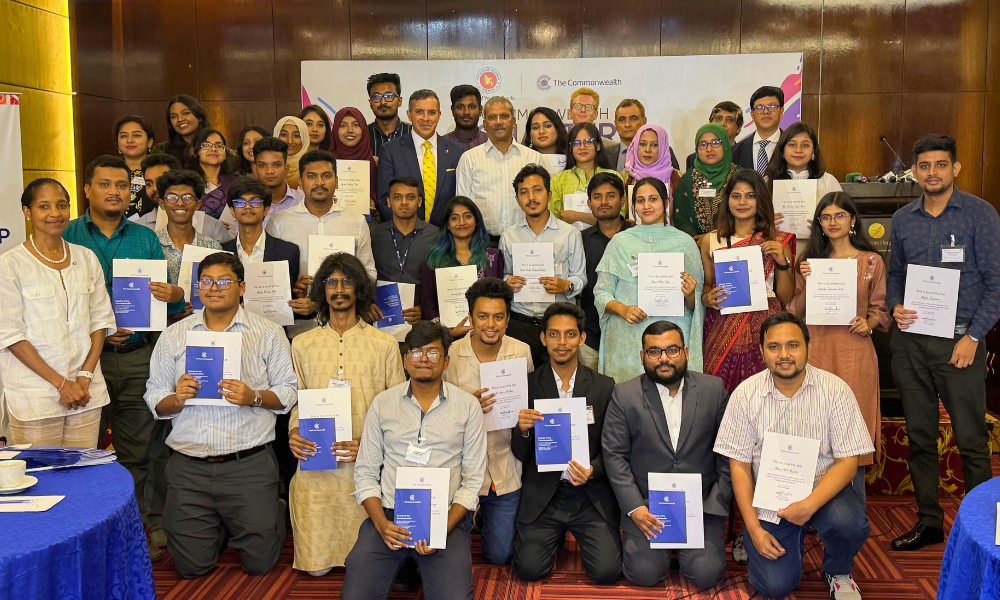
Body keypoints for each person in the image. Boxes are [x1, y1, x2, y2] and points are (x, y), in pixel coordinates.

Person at [144, 252, 297, 578]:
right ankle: (222, 523)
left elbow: (288, 392)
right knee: (190, 568)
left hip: (248, 465)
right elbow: (154, 397)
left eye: (224, 281)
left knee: (260, 565)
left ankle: (270, 507)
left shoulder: (268, 333)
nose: (214, 288)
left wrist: (253, 397)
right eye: (207, 282)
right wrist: (177, 399)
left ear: (241, 287)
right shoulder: (174, 334)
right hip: (189, 467)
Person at [63, 155, 186, 560]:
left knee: (140, 450)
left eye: (122, 185)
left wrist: (173, 296)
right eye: (105, 184)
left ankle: (139, 528)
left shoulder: (145, 237)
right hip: (80, 361)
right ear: (87, 190)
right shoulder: (66, 236)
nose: (114, 192)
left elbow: (164, 305)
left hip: (136, 356)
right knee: (84, 449)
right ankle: (82, 529)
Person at [886, 134, 1000, 551]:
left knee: (971, 440)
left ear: (956, 168)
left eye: (940, 164)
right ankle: (929, 522)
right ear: (914, 171)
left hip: (960, 344)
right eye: (924, 165)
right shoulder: (903, 219)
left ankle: (981, 530)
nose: (931, 172)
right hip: (911, 344)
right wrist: (895, 305)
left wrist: (973, 337)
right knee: (919, 435)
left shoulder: (980, 215)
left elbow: (996, 284)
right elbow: (895, 273)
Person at [715, 312, 873, 600]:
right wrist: (754, 530)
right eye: (774, 347)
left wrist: (808, 505)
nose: (784, 355)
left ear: (808, 347)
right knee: (774, 587)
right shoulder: (745, 395)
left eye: (793, 345)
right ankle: (786, 546)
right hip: (770, 502)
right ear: (762, 351)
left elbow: (849, 462)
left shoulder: (836, 390)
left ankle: (837, 570)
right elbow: (738, 466)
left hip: (823, 491)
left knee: (849, 523)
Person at [343, 321, 487, 600]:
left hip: (444, 518)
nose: (423, 359)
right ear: (405, 359)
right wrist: (381, 524)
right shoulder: (382, 403)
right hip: (388, 516)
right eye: (415, 352)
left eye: (432, 353)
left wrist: (440, 528)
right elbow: (365, 474)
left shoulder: (467, 406)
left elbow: (472, 482)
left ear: (445, 361)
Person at [287, 253, 406, 575]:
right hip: (318, 463)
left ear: (359, 289)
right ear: (322, 290)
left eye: (347, 281)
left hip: (367, 464)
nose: (339, 289)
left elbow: (398, 409)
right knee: (315, 570)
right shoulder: (302, 344)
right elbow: (295, 399)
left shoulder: (384, 345)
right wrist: (295, 433)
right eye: (331, 282)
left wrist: (369, 443)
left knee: (367, 566)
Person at [602, 320, 731, 589]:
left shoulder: (713, 390)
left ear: (685, 352)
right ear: (642, 357)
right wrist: (635, 508)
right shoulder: (624, 395)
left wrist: (713, 504)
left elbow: (729, 453)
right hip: (647, 508)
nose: (663, 358)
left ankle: (687, 551)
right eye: (654, 351)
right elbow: (614, 455)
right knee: (643, 575)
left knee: (706, 576)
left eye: (672, 350)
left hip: (701, 505)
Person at [787, 192, 890, 505]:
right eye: (826, 217)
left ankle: (851, 512)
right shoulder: (808, 263)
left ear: (853, 220)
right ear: (819, 223)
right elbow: (793, 311)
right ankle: (811, 507)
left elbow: (881, 310)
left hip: (855, 355)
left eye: (840, 216)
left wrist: (867, 323)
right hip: (816, 353)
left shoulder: (871, 261)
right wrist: (805, 280)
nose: (833, 222)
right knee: (813, 426)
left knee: (851, 433)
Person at [511, 303, 621, 584]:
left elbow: (613, 448)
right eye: (554, 335)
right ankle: (553, 537)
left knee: (607, 572)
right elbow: (519, 454)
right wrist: (522, 431)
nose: (562, 343)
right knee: (529, 570)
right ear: (543, 338)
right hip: (545, 496)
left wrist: (593, 470)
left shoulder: (604, 386)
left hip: (588, 495)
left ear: (582, 339)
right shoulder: (526, 386)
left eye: (570, 335)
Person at [0, 178, 114, 449]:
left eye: (62, 205)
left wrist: (84, 377)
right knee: (40, 482)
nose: (55, 213)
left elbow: (99, 321)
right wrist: (62, 384)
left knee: (81, 476)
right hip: (35, 396)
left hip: (86, 392)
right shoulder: (10, 264)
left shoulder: (86, 258)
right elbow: (11, 335)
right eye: (44, 206)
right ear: (27, 212)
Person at [442, 278, 533, 566]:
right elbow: (436, 414)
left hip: (504, 467)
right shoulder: (451, 355)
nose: (490, 324)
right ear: (470, 318)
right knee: (451, 556)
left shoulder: (521, 351)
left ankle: (485, 516)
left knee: (500, 556)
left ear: (507, 319)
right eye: (482, 316)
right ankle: (472, 515)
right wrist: (466, 405)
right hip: (461, 470)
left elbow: (526, 403)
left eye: (498, 317)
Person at [595, 177, 703, 383]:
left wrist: (690, 294)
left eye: (653, 199)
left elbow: (694, 307)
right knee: (630, 402)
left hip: (670, 342)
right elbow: (601, 293)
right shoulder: (620, 242)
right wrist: (622, 309)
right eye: (640, 200)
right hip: (628, 339)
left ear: (666, 202)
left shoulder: (685, 243)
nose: (646, 206)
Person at [700, 169, 794, 392]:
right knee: (720, 391)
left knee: (764, 392)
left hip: (765, 325)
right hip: (722, 324)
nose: (742, 202)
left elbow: (786, 297)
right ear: (727, 201)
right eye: (736, 196)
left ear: (760, 199)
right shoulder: (711, 240)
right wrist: (707, 298)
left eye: (750, 196)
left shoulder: (777, 240)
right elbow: (706, 285)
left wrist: (781, 261)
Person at [266, 150, 377, 337]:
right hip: (298, 328)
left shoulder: (356, 222)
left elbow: (369, 273)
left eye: (326, 176)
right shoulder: (279, 222)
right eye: (311, 176)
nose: (319, 183)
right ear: (300, 182)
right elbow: (271, 279)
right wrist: (293, 288)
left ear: (337, 180)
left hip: (346, 326)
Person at [500, 164, 586, 368]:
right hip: (520, 324)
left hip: (557, 326)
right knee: (520, 387)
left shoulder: (569, 233)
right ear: (517, 199)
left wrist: (566, 286)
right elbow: (503, 275)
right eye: (524, 192)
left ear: (549, 193)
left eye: (537, 190)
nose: (531, 198)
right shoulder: (509, 235)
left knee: (555, 386)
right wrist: (507, 283)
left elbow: (581, 277)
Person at [456, 97, 544, 240]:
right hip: (483, 243)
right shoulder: (469, 159)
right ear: (484, 124)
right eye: (492, 117)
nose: (498, 122)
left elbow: (542, 203)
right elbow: (462, 206)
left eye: (504, 116)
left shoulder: (533, 158)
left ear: (513, 121)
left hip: (527, 241)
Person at [375, 89, 465, 225]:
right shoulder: (390, 151)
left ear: (439, 116)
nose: (426, 118)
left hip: (445, 238)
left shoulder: (456, 152)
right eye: (419, 112)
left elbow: (461, 200)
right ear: (409, 115)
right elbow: (384, 200)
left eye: (432, 112)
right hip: (406, 236)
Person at [420, 197, 505, 338]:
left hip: (488, 334)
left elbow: (501, 300)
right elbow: (428, 304)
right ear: (447, 224)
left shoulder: (493, 257)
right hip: (448, 339)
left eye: (467, 216)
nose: (462, 223)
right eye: (454, 218)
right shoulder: (434, 260)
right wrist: (447, 333)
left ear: (477, 221)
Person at [154, 169, 224, 321]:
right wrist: (168, 315)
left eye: (187, 197)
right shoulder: (151, 245)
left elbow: (220, 293)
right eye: (172, 197)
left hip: (204, 330)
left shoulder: (212, 248)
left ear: (198, 204)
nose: (180, 203)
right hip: (161, 334)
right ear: (162, 203)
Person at [579, 172, 632, 370]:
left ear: (623, 200)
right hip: (590, 336)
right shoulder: (580, 240)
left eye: (610, 195)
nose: (603, 202)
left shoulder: (636, 237)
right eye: (597, 197)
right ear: (589, 203)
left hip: (631, 333)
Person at [371, 176, 439, 321]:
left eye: (410, 197)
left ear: (419, 202)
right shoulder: (374, 235)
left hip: (421, 318)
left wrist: (425, 309)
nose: (404, 202)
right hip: (381, 315)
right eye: (397, 197)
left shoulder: (435, 236)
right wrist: (368, 304)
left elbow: (441, 279)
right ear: (389, 202)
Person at [220, 176, 301, 290]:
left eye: (255, 202)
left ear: (266, 210)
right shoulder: (221, 252)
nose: (247, 207)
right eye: (240, 202)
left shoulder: (288, 252)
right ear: (232, 211)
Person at [549, 122, 623, 228]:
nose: (582, 147)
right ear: (570, 148)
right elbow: (553, 219)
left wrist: (578, 216)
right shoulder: (559, 179)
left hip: (607, 241)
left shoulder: (613, 177)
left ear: (597, 146)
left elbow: (618, 218)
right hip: (569, 241)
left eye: (588, 142)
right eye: (576, 143)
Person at [674, 123, 740, 239]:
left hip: (732, 246)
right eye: (703, 144)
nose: (709, 149)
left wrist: (715, 239)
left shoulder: (739, 177)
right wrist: (696, 240)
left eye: (715, 143)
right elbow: (680, 217)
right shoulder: (688, 179)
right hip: (695, 246)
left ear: (725, 145)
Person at [763, 122, 843, 201]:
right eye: (792, 145)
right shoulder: (767, 182)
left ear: (813, 151)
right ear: (783, 149)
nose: (798, 150)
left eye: (805, 145)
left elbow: (840, 211)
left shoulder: (828, 181)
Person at [330, 107, 377, 218]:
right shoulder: (327, 162)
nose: (350, 130)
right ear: (335, 130)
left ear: (364, 129)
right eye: (343, 125)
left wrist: (373, 201)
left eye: (356, 125)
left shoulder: (374, 162)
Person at [623, 124, 679, 217]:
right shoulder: (625, 176)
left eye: (655, 145)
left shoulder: (676, 177)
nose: (647, 150)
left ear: (663, 148)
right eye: (643, 144)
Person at [733, 86, 785, 174]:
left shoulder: (791, 146)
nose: (766, 112)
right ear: (752, 115)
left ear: (781, 111)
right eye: (760, 107)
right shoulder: (736, 151)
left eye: (771, 106)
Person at [188, 128, 236, 223]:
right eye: (206, 145)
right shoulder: (186, 182)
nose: (213, 149)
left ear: (225, 154)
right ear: (195, 152)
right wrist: (211, 225)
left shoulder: (235, 183)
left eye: (219, 145)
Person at [252, 136, 305, 219]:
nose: (269, 171)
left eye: (277, 165)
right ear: (255, 170)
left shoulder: (303, 201)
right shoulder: (242, 204)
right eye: (262, 165)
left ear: (286, 169)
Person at [115, 115, 155, 216]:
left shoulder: (159, 169)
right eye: (124, 136)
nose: (129, 140)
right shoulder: (110, 170)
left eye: (136, 135)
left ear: (149, 142)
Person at [684, 101, 743, 170]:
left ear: (738, 128)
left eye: (729, 120)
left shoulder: (745, 157)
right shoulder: (693, 159)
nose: (723, 124)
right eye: (718, 118)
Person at [366, 72, 412, 156]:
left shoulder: (413, 133)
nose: (383, 102)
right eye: (377, 97)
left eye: (389, 96)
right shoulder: (363, 135)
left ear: (399, 101)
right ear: (370, 103)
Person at [153, 94, 210, 161]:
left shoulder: (217, 148)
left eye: (185, 113)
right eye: (174, 116)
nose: (180, 119)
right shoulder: (161, 150)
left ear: (199, 117)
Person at [520, 107, 570, 174]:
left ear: (558, 129)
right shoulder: (521, 160)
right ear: (529, 134)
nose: (541, 131)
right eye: (535, 127)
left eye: (547, 126)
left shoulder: (572, 158)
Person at [444, 84, 488, 150]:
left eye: (472, 107)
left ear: (480, 110)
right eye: (460, 107)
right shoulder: (441, 144)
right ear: (453, 110)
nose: (466, 112)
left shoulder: (491, 142)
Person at [609, 99, 647, 172]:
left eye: (633, 119)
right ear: (615, 124)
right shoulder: (604, 155)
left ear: (644, 121)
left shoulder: (660, 151)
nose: (627, 124)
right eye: (622, 120)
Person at [275, 115, 310, 190]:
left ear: (304, 139)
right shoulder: (267, 166)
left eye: (296, 136)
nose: (290, 141)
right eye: (284, 135)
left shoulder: (312, 166)